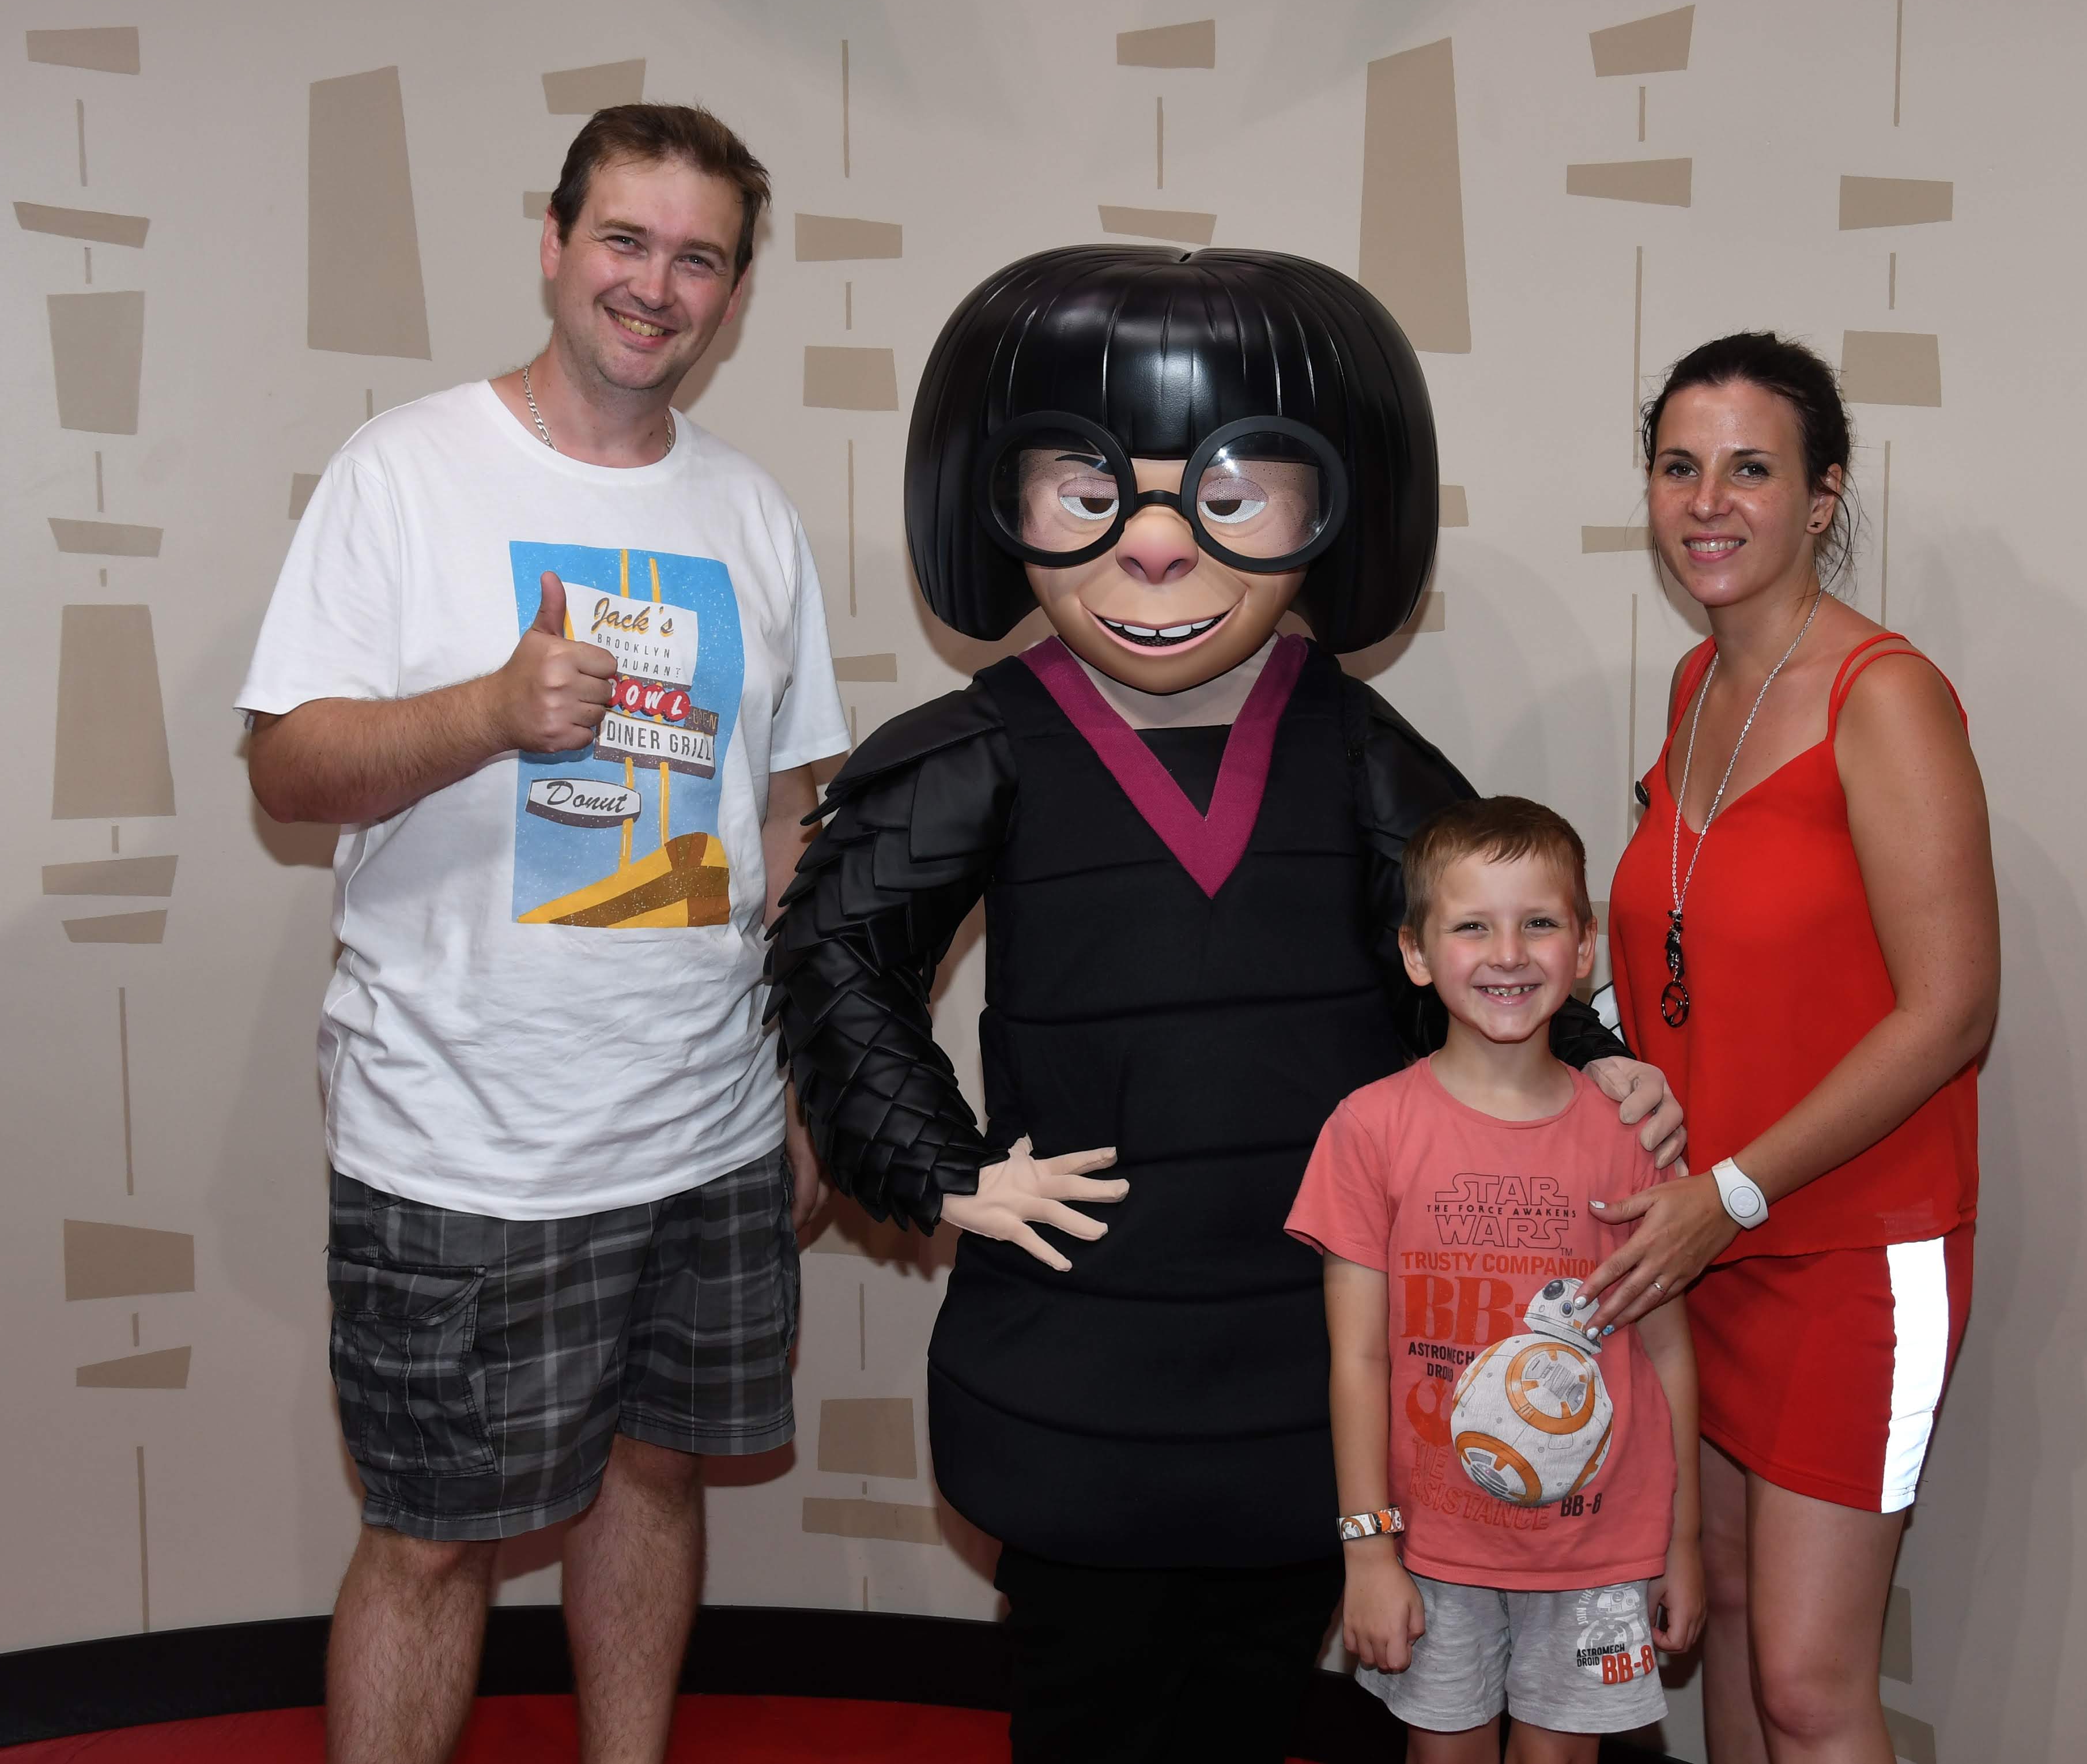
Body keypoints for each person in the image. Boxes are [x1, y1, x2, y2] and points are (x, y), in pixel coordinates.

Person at [764, 246, 1685, 1764]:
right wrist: (940, 1166)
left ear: (1332, 508)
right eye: (1088, 491)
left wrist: (1590, 1056)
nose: (1152, 548)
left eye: (1232, 495)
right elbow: (834, 949)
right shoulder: (982, 745)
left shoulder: (1353, 744)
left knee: (1259, 1700)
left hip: (1304, 1356)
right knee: (1086, 1702)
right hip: (1076, 1362)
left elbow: (1474, 928)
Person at [238, 104, 846, 1764]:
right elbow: (287, 768)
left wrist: (802, 1086)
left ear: (733, 292)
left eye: (699, 258)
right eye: (625, 240)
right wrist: (492, 712)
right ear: (555, 244)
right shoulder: (406, 471)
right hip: (462, 1137)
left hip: (705, 1128)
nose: (656, 285)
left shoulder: (750, 512)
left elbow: (787, 816)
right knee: (433, 1537)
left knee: (654, 1474)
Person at [1577, 333, 1998, 1764]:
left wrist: (1735, 1190)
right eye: (1678, 466)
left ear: (1821, 498)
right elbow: (1697, 960)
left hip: (1847, 1254)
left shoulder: (1884, 694)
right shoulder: (1701, 683)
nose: (1707, 502)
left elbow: (1952, 1009)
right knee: (1734, 1611)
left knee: (1812, 1687)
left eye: (1750, 469)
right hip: (1701, 1243)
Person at [1287, 797, 1705, 1764]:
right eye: (1472, 925)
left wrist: (1681, 1542)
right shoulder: (1368, 1128)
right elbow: (1356, 1360)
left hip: (1598, 1546)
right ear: (1416, 952)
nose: (1507, 953)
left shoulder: (1633, 1139)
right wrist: (1366, 1548)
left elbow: (1668, 1353)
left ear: (1583, 946)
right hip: (1432, 1546)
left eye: (1539, 922)